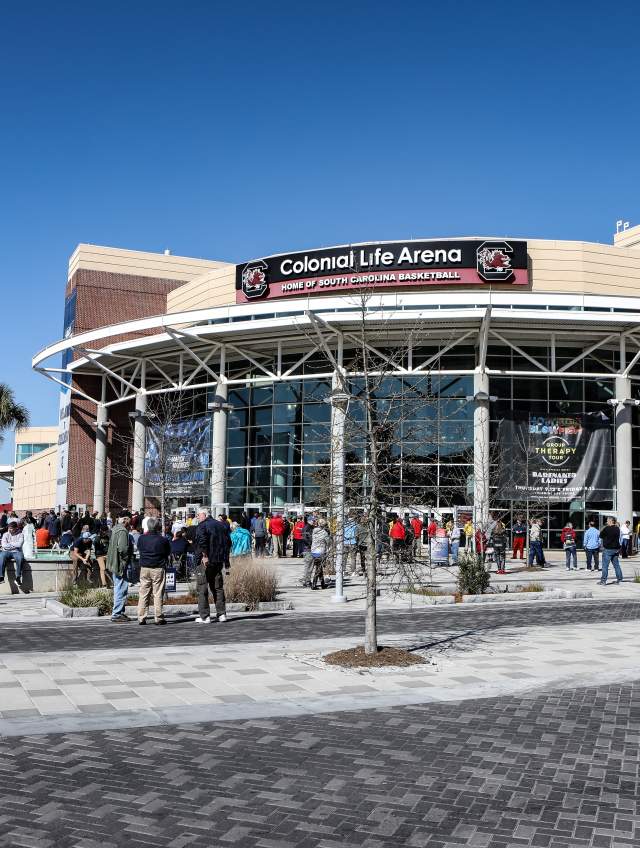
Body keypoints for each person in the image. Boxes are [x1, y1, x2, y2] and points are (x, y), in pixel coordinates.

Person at [194, 509, 230, 623]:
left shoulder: (202, 526)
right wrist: (226, 560)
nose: (197, 517)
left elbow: (202, 541)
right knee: (218, 588)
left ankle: (205, 616)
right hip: (218, 560)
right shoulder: (221, 525)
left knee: (202, 587)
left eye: (198, 515)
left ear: (204, 515)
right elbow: (228, 543)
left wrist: (204, 556)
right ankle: (222, 614)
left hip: (206, 561)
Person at [136, 517, 171, 625]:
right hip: (158, 567)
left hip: (144, 567)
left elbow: (139, 549)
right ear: (158, 527)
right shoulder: (163, 539)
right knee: (158, 593)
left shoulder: (141, 538)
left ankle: (141, 617)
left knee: (143, 593)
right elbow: (168, 552)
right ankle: (159, 617)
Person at [106, 511, 134, 623]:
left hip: (114, 563)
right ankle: (117, 614)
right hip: (120, 564)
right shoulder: (122, 531)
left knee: (119, 587)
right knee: (121, 588)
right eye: (130, 519)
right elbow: (123, 549)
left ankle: (119, 612)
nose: (131, 522)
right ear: (126, 519)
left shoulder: (115, 528)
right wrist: (125, 559)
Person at [599, 516, 623, 586]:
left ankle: (603, 581)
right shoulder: (617, 529)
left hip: (608, 549)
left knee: (605, 566)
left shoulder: (606, 528)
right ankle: (619, 579)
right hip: (616, 549)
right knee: (616, 565)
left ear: (610, 521)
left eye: (607, 520)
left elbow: (601, 535)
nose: (607, 522)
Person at [310, 518, 330, 589]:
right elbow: (328, 542)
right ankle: (314, 584)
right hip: (321, 552)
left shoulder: (314, 531)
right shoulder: (324, 533)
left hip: (314, 551)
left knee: (319, 567)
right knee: (318, 569)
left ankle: (322, 584)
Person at [301, 515, 316, 587]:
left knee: (309, 566)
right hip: (308, 549)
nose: (314, 522)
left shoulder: (311, 527)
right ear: (309, 520)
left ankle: (306, 580)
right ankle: (306, 581)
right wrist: (311, 544)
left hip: (309, 548)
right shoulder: (307, 528)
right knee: (309, 566)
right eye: (313, 520)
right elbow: (304, 538)